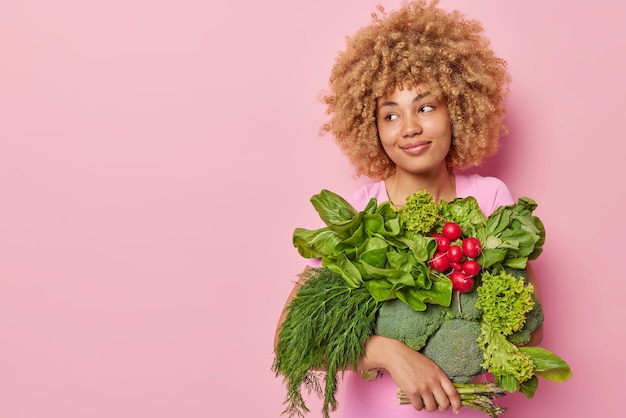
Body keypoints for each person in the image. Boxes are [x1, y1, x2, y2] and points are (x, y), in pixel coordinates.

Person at [274, 1, 543, 416]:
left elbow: (532, 329)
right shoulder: (356, 217)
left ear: (458, 109)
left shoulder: (490, 201)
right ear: (372, 128)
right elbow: (289, 340)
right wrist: (387, 352)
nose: (410, 127)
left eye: (426, 107)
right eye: (390, 115)